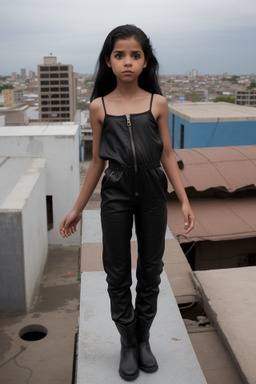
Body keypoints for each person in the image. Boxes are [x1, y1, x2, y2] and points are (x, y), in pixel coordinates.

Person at [60, 24, 195, 381]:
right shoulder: (98, 107)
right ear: (108, 61)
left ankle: (143, 338)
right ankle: (127, 343)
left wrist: (183, 200)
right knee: (117, 273)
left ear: (145, 60)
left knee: (150, 271)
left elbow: (167, 153)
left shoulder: (158, 103)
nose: (127, 62)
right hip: (116, 194)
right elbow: (98, 161)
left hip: (152, 193)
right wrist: (77, 207)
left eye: (135, 55)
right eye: (119, 55)